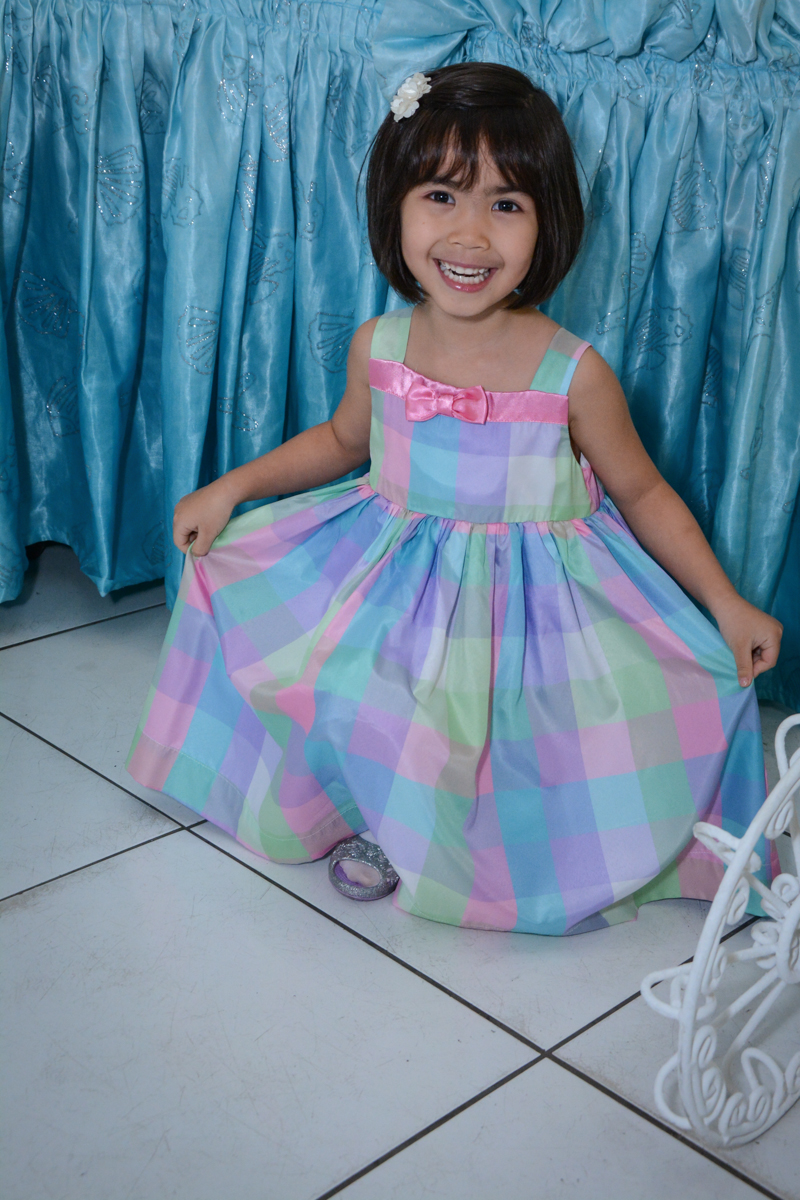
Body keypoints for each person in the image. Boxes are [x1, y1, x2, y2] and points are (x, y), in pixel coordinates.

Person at [128, 63, 782, 935]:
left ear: (549, 223)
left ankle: (515, 847)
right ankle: (375, 817)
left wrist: (726, 603)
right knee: (351, 682)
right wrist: (232, 487)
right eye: (441, 195)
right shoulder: (380, 344)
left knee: (572, 723)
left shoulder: (574, 372)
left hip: (536, 608)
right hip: (397, 582)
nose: (470, 235)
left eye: (506, 204)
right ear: (394, 207)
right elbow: (341, 442)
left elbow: (643, 491)